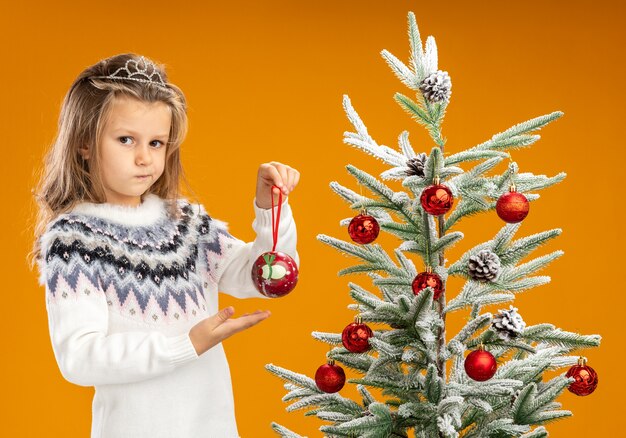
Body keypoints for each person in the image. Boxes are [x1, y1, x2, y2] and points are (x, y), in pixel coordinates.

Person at [27, 53, 300, 438]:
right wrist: (185, 345)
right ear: (85, 143)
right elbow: (80, 357)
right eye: (126, 140)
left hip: (213, 427)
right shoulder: (75, 241)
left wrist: (270, 208)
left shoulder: (185, 224)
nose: (144, 158)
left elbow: (264, 279)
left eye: (156, 143)